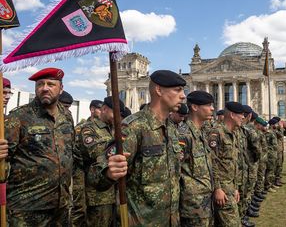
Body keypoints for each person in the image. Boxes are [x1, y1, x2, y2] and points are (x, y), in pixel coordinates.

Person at [88, 70, 186, 226]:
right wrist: (108, 172)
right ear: (159, 90)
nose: (183, 95)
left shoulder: (171, 128)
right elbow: (95, 175)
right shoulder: (133, 127)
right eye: (177, 90)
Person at [4, 68, 74, 226]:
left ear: (61, 89)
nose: (45, 88)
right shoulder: (19, 117)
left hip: (60, 206)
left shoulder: (66, 117)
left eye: (51, 84)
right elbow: (4, 158)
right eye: (40, 84)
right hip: (27, 207)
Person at [72, 96, 130, 227]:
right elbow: (96, 152)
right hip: (97, 195)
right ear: (104, 109)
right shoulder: (89, 129)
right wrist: (120, 143)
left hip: (115, 192)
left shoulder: (114, 129)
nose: (118, 117)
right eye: (115, 112)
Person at [178, 90, 214, 227]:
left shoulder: (201, 133)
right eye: (208, 105)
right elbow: (175, 172)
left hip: (205, 203)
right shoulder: (184, 135)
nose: (212, 108)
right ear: (195, 107)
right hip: (192, 207)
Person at [207, 102, 243, 227]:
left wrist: (236, 187)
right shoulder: (216, 133)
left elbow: (232, 163)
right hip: (222, 189)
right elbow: (212, 162)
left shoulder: (232, 133)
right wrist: (217, 188)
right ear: (232, 115)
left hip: (230, 188)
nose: (243, 117)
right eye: (241, 115)